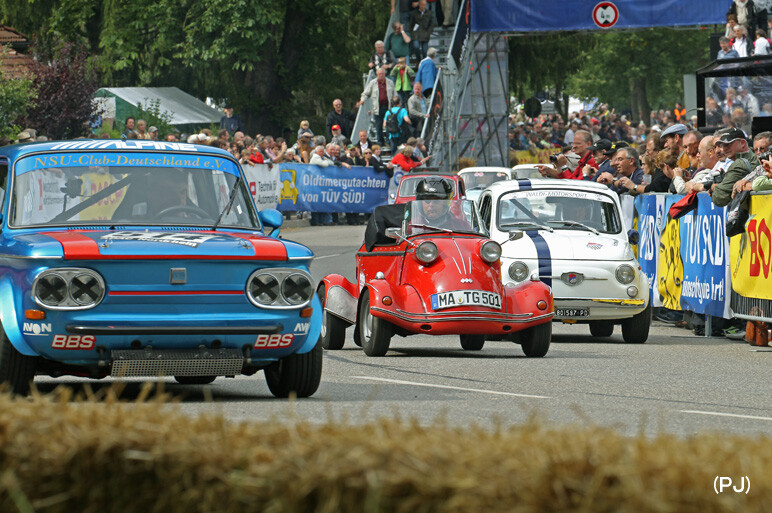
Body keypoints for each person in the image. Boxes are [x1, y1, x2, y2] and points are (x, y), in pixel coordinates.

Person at [712, 128, 761, 206]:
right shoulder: (755, 157)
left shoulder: (739, 164)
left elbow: (719, 198)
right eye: (722, 145)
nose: (724, 148)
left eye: (728, 144)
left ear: (742, 143)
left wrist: (713, 188)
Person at [356, 69, 396, 146]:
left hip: (388, 108)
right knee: (378, 126)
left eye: (383, 74)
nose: (381, 75)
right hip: (377, 108)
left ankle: (388, 141)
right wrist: (362, 100)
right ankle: (380, 142)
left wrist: (396, 104)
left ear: (385, 74)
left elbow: (395, 94)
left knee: (389, 125)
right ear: (377, 75)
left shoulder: (390, 82)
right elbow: (366, 93)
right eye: (379, 74)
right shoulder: (372, 83)